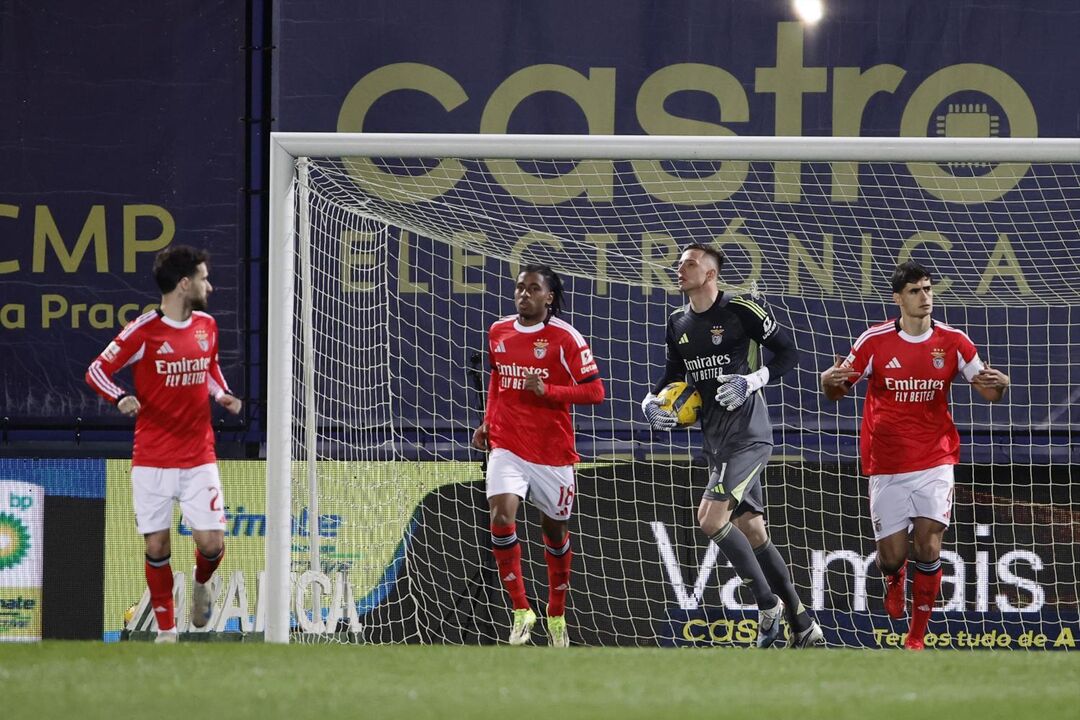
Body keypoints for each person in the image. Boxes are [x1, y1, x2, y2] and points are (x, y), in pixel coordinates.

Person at [641, 243, 824, 648]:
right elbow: (673, 375)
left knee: (709, 520)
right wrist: (651, 403)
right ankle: (803, 624)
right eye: (679, 264)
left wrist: (752, 380)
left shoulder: (741, 311)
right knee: (753, 531)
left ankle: (766, 604)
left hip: (750, 436)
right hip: (716, 441)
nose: (680, 269)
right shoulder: (677, 322)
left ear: (710, 274)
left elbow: (789, 352)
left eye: (690, 264)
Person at [820, 261, 1009, 650]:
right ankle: (894, 577)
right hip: (886, 462)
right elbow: (838, 390)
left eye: (927, 289)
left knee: (929, 546)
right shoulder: (873, 342)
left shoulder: (954, 341)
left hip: (935, 459)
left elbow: (989, 391)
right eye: (915, 291)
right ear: (898, 299)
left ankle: (917, 636)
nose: (925, 297)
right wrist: (828, 381)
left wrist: (1002, 384)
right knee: (892, 556)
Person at [86, 245, 242, 643]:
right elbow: (97, 369)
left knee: (211, 543)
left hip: (198, 455)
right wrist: (120, 397)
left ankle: (202, 585)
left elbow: (210, 367)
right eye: (204, 278)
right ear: (184, 284)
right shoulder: (143, 331)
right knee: (157, 544)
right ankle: (167, 633)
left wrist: (221, 393)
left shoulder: (207, 324)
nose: (210, 284)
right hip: (153, 456)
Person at [471, 264, 605, 647]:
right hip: (508, 445)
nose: (523, 294)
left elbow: (595, 392)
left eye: (533, 289)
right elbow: (498, 380)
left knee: (555, 531)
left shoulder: (565, 337)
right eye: (519, 288)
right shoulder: (499, 331)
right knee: (500, 515)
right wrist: (488, 422)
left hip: (552, 452)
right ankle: (520, 609)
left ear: (549, 297)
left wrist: (551, 391)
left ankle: (556, 613)